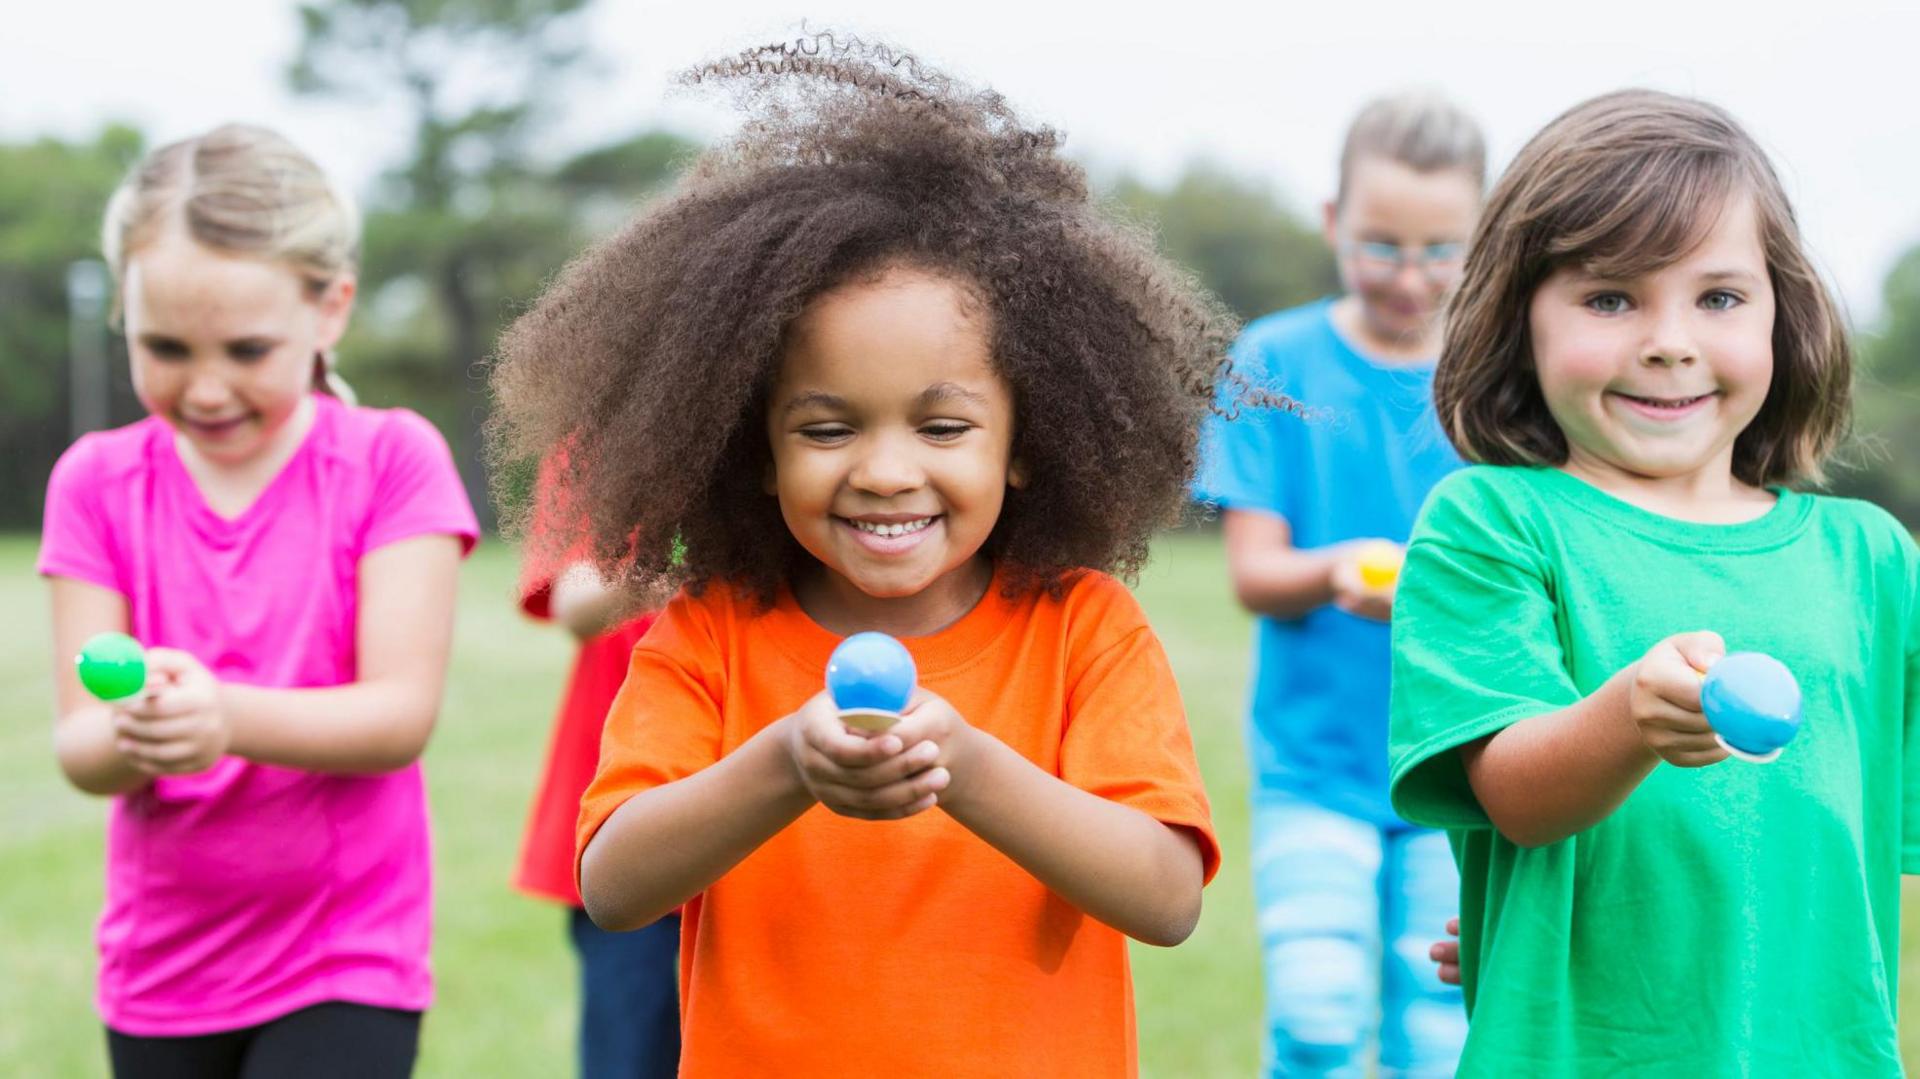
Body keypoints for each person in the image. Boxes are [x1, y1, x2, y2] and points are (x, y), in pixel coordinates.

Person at [486, 35, 1263, 1077]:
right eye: (826, 427)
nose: (887, 471)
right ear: (755, 450)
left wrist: (972, 766)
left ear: (1027, 446)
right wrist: (782, 763)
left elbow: (1166, 897)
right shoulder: (712, 628)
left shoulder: (1085, 626)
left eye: (942, 428)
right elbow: (617, 882)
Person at [1389, 89, 1915, 1075]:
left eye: (1718, 298)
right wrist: (1629, 717)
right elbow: (1516, 793)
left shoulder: (1872, 560)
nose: (1670, 340)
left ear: (1781, 314)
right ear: (1520, 318)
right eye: (1610, 296)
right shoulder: (1493, 523)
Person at [39, 124, 479, 1079]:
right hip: (162, 969)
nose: (205, 387)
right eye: (164, 346)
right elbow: (79, 742)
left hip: (344, 956)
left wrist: (223, 717)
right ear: (123, 309)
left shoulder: (392, 461)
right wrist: (140, 733)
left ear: (331, 310)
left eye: (246, 348)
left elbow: (398, 716)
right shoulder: (95, 482)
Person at [1195, 91, 1484, 1077]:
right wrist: (1337, 570)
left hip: (1459, 761)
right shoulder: (1274, 360)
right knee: (1317, 1021)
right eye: (1382, 243)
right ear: (1333, 222)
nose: (1411, 274)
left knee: (1441, 1037)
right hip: (1313, 764)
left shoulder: (1493, 382)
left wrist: (1433, 591)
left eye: (1441, 247)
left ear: (1482, 237)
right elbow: (1255, 573)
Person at [514, 530, 679, 1078]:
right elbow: (576, 603)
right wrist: (701, 563)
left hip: (779, 824)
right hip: (625, 819)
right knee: (630, 1058)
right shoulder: (594, 444)